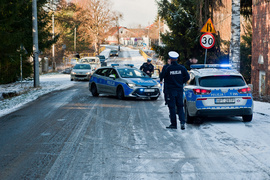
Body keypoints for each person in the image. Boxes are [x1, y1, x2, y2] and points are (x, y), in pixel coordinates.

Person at [163, 51, 190, 130]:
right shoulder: (182, 68)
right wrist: (181, 82)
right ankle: (182, 122)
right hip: (179, 90)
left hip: (171, 91)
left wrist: (166, 91)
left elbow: (165, 79)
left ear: (170, 59)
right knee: (180, 107)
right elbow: (187, 77)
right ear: (177, 59)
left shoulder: (168, 68)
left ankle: (174, 124)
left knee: (172, 108)